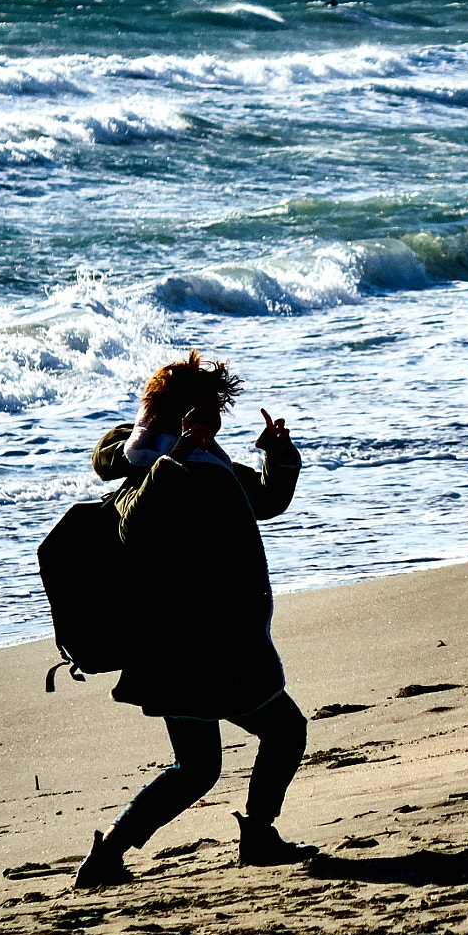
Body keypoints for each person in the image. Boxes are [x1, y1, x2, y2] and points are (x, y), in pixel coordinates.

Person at [71, 351, 317, 887]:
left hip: (183, 649)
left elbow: (266, 501)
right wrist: (180, 451)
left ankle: (108, 856)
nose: (217, 421)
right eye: (207, 410)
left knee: (198, 767)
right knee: (285, 731)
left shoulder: (201, 460)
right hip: (204, 647)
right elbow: (136, 525)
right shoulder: (156, 462)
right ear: (180, 413)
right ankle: (257, 837)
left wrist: (279, 456)